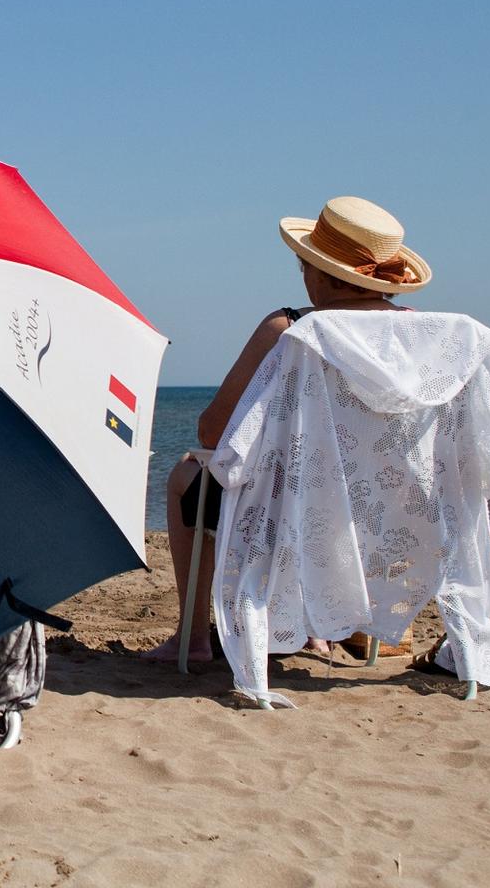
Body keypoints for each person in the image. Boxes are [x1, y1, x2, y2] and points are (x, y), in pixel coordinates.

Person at [139, 197, 429, 666]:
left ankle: (192, 637)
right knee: (315, 488)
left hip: (289, 509)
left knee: (186, 477)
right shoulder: (422, 336)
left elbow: (212, 430)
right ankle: (316, 629)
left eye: (304, 265)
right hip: (382, 510)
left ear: (319, 271)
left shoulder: (290, 329)